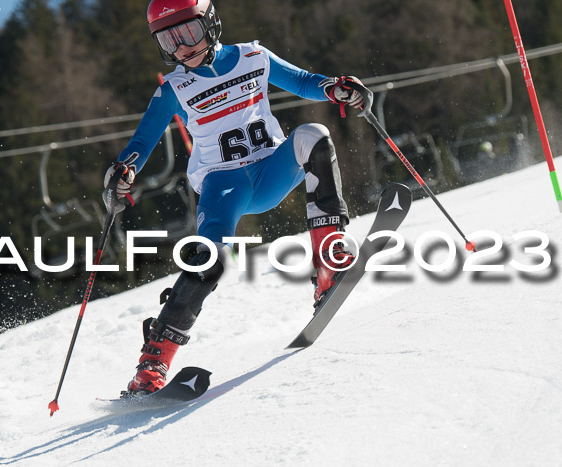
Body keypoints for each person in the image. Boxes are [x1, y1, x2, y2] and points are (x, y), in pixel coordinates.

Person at [104, 0, 372, 395]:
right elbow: (142, 142)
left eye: (189, 32)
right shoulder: (175, 88)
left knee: (314, 135)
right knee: (210, 261)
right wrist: (123, 171)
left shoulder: (253, 56)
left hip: (272, 169)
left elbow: (303, 82)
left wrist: (335, 87)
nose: (182, 47)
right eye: (169, 39)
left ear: (210, 24)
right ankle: (153, 361)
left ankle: (327, 266)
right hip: (223, 186)